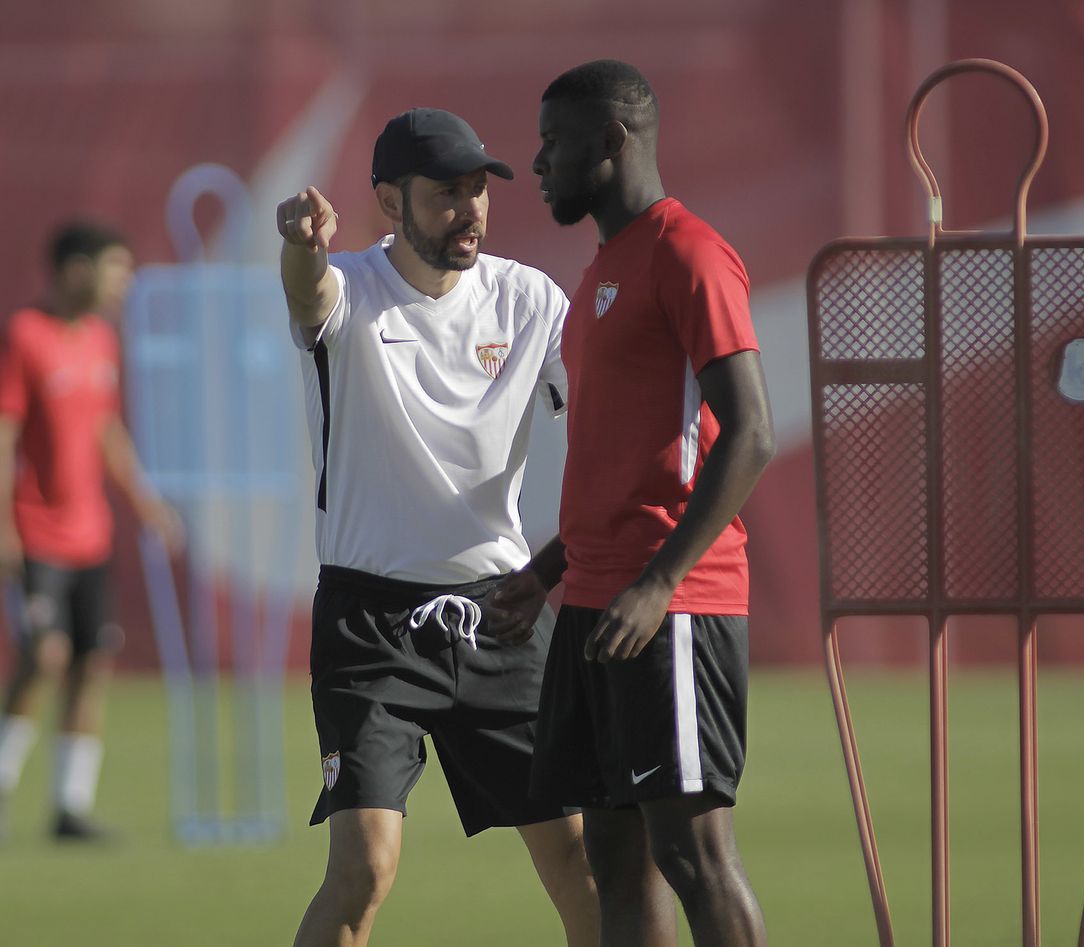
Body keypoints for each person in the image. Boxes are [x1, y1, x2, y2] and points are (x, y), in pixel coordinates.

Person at [277, 108, 601, 947]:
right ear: (390, 201)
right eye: (444, 193)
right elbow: (308, 293)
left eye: (476, 190)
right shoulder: (348, 288)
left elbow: (605, 412)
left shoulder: (529, 298)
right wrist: (302, 246)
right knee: (365, 870)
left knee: (584, 862)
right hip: (369, 623)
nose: (469, 210)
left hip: (504, 612)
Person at [491, 60, 776, 947]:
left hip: (671, 609)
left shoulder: (688, 252)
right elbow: (616, 466)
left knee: (693, 855)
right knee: (614, 862)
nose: (537, 163)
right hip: (591, 606)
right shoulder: (602, 271)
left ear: (610, 141)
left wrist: (658, 584)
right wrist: (544, 574)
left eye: (552, 142)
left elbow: (753, 432)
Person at [0, 221, 183, 842]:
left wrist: (144, 502)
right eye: (116, 268)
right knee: (43, 655)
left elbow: (104, 430)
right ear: (73, 269)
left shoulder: (97, 338)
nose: (126, 281)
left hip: (90, 536)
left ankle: (69, 806)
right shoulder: (22, 335)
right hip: (36, 532)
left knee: (93, 663)